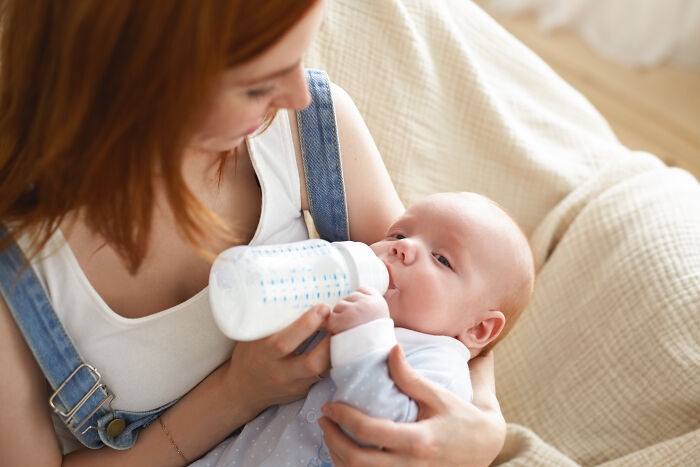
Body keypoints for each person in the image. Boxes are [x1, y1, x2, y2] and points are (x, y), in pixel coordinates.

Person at [0, 1, 506, 465]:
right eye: (257, 83)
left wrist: (481, 428)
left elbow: (452, 312)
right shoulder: (17, 275)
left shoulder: (307, 129)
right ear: (142, 80)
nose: (297, 93)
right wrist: (236, 394)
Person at [192, 191, 535, 466]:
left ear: (479, 329)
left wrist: (365, 337)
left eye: (442, 259)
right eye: (399, 233)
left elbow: (389, 434)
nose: (403, 247)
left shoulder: (441, 367)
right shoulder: (351, 307)